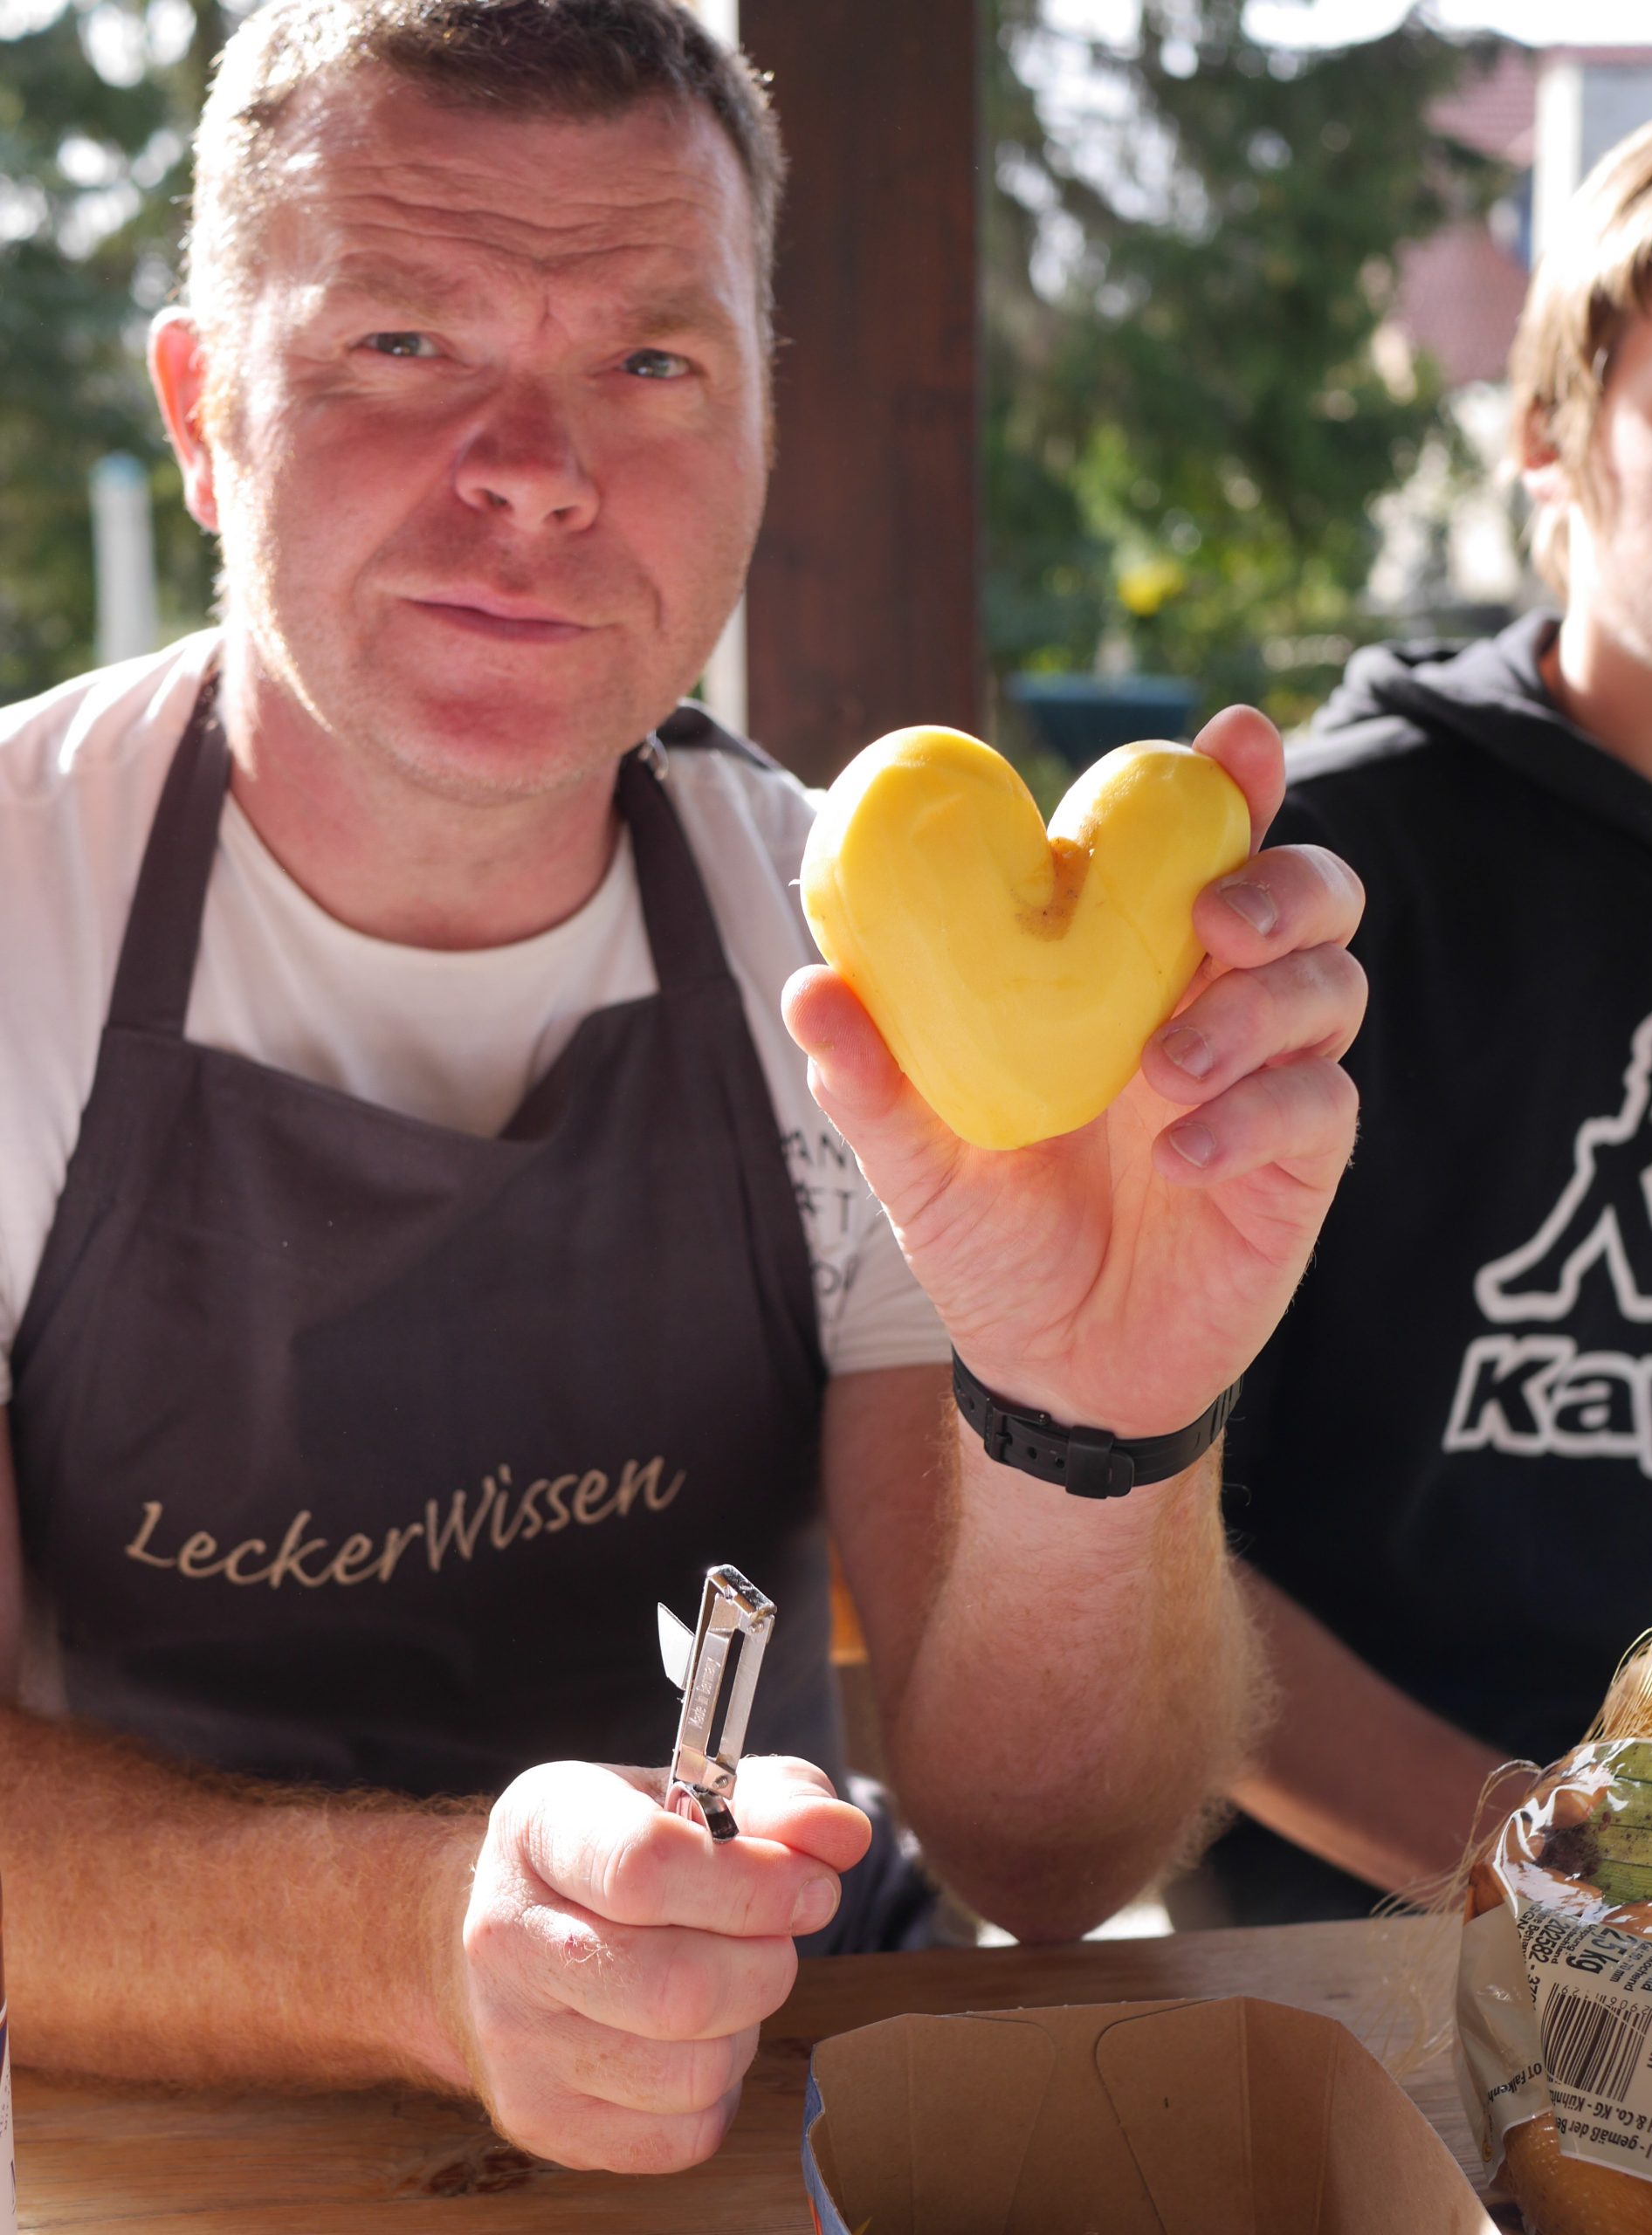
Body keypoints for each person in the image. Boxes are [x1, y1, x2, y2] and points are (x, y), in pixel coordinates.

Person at [0, 0, 1364, 2173]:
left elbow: (1039, 1848)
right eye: (403, 345)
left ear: (759, 428)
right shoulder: (18, 909)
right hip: (142, 2131)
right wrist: (417, 1943)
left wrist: (1105, 1424)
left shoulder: (865, 958)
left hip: (764, 2105)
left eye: (651, 363)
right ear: (199, 410)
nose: (539, 464)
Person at [1189, 108, 1652, 1929]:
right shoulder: (1319, 876)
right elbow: (1140, 1549)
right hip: (1357, 1950)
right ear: (1548, 436)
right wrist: (1548, 1872)